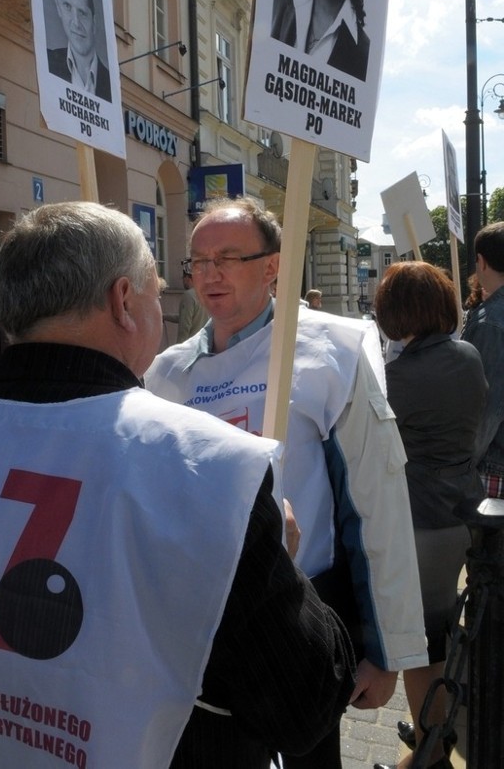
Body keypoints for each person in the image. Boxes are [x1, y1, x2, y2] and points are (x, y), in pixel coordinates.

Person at [0, 201, 356, 768]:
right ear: (124, 301)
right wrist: (283, 560)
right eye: (157, 288)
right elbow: (305, 706)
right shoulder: (214, 470)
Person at [145, 197, 428, 769]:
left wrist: (386, 648)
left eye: (228, 257)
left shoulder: (334, 350)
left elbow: (375, 506)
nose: (209, 274)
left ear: (272, 266)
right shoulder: (166, 373)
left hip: (303, 614)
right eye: (197, 261)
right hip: (203, 625)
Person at [373, 261, 487, 769]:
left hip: (417, 518)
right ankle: (433, 738)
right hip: (461, 509)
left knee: (419, 639)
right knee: (436, 630)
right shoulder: (466, 355)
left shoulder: (394, 375)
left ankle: (430, 749)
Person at [461, 221, 504, 498]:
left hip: (494, 465)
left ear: (481, 262)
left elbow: (489, 408)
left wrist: (464, 464)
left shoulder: (491, 323)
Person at [47, 0, 112, 101]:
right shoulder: (48, 62)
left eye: (82, 13)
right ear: (57, 6)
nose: (75, 23)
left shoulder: (110, 83)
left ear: (94, 22)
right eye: (67, 6)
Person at [177, 269, 208, 341]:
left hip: (190, 344)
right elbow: (193, 316)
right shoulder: (205, 294)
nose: (183, 282)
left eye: (183, 278)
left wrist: (180, 347)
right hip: (203, 341)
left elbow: (185, 325)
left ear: (187, 278)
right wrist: (165, 316)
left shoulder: (188, 295)